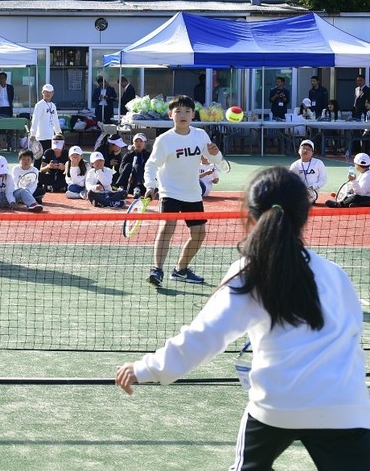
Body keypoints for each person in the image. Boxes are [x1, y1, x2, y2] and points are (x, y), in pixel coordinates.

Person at [116, 166, 370, 470]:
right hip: (345, 405)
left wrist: (146, 368)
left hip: (277, 405)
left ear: (249, 218)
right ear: (306, 216)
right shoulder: (335, 274)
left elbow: (204, 336)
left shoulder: (248, 273)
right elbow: (352, 336)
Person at [144, 95, 222, 287]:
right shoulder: (164, 140)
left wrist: (215, 153)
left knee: (199, 234)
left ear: (193, 114)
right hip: (169, 192)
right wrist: (150, 185)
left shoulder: (200, 135)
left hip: (193, 193)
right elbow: (151, 165)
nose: (183, 115)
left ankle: (181, 269)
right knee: (167, 228)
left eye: (187, 111)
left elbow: (218, 161)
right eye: (178, 111)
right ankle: (157, 270)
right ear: (171, 115)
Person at [29, 84, 62, 154]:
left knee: (49, 158)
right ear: (42, 92)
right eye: (46, 92)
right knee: (38, 158)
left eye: (50, 92)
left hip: (51, 137)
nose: (48, 94)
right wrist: (33, 134)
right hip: (41, 137)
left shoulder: (53, 106)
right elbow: (35, 120)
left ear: (52, 93)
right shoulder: (39, 105)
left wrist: (58, 132)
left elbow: (55, 120)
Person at [115, 133, 150, 197]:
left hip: (142, 181)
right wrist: (131, 175)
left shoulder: (148, 155)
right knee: (128, 165)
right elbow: (121, 169)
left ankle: (137, 188)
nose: (138, 143)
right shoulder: (128, 155)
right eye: (136, 141)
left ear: (144, 143)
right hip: (128, 180)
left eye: (141, 141)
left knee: (138, 166)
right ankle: (121, 187)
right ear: (133, 143)